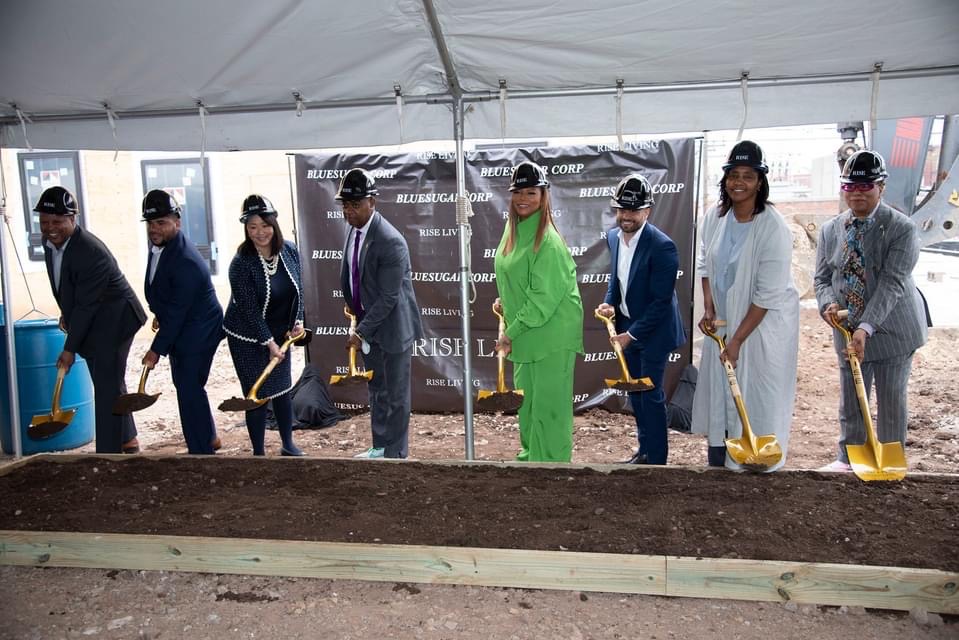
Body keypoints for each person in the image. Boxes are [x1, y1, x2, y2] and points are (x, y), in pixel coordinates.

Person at [813, 150, 928, 472]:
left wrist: (866, 327)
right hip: (847, 329)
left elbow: (892, 282)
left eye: (865, 187)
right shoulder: (831, 229)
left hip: (892, 329)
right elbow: (822, 278)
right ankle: (849, 458)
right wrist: (828, 304)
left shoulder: (901, 228)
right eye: (849, 187)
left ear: (881, 187)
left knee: (890, 399)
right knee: (852, 397)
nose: (857, 194)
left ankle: (889, 464)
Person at [691, 141, 799, 472]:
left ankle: (757, 463)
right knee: (721, 391)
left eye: (748, 176)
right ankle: (720, 457)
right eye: (733, 175)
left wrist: (737, 340)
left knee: (756, 391)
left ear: (760, 182)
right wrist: (709, 308)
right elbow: (705, 264)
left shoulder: (773, 227)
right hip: (726, 321)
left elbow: (767, 294)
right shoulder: (715, 217)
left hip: (762, 327)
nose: (739, 182)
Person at [35, 186, 147, 454]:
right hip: (94, 316)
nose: (50, 228)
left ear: (73, 219)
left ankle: (108, 454)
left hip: (117, 319)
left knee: (107, 386)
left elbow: (87, 305)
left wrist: (69, 349)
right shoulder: (50, 244)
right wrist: (67, 313)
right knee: (108, 379)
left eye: (57, 222)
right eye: (45, 222)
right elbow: (67, 286)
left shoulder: (90, 251)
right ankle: (127, 438)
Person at [493, 161, 584, 463]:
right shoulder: (513, 229)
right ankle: (532, 459)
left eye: (531, 192)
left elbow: (542, 300)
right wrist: (506, 300)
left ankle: (553, 468)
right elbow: (514, 273)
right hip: (526, 333)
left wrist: (510, 333)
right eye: (518, 192)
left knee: (549, 408)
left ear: (544, 195)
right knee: (528, 403)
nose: (523, 198)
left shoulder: (548, 242)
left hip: (551, 334)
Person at [595, 174, 686, 465]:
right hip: (627, 327)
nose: (626, 215)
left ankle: (656, 462)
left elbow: (661, 303)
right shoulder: (613, 238)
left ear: (647, 211)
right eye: (622, 209)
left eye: (633, 210)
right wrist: (610, 303)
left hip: (655, 332)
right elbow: (617, 280)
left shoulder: (663, 246)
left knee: (650, 394)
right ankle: (644, 452)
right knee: (636, 394)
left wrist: (631, 335)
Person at [337, 168, 422, 459]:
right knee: (377, 388)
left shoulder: (390, 240)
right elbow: (355, 276)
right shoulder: (354, 230)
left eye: (355, 204)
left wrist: (361, 331)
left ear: (372, 202)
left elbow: (389, 297)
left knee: (395, 394)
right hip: (368, 326)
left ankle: (396, 454)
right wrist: (355, 311)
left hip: (392, 329)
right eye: (345, 205)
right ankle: (380, 447)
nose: (349, 211)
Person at [141, 189, 224, 455]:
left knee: (188, 387)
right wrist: (159, 314)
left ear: (177, 222)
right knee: (188, 386)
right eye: (150, 223)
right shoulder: (162, 246)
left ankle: (201, 453)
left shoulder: (185, 260)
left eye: (161, 222)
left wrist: (155, 350)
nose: (154, 229)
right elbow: (166, 292)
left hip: (199, 329)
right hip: (184, 325)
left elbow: (178, 312)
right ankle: (208, 438)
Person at [223, 195, 306, 456]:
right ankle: (258, 452)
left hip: (281, 333)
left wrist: (297, 321)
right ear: (246, 229)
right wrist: (268, 343)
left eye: (265, 225)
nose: (260, 232)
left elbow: (299, 289)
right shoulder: (241, 263)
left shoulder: (289, 250)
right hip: (247, 337)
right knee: (256, 393)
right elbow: (248, 310)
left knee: (282, 389)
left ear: (274, 224)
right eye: (252, 227)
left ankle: (288, 444)